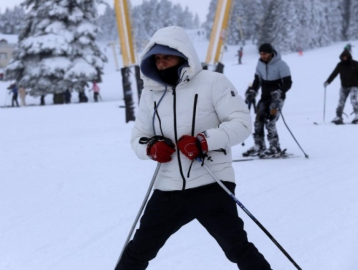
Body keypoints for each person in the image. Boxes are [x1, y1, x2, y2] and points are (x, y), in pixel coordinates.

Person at [116, 26, 271, 270]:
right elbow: (139, 137)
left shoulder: (213, 82)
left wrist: (203, 141)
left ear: (183, 54)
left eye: (167, 56)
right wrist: (152, 147)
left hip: (211, 183)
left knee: (237, 248)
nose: (161, 63)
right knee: (138, 250)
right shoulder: (151, 93)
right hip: (167, 187)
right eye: (156, 58)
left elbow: (241, 123)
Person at [242, 43, 292, 157]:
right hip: (264, 97)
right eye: (260, 54)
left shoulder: (281, 65)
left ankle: (274, 147)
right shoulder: (259, 64)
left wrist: (279, 92)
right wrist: (253, 90)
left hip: (277, 99)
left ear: (270, 53)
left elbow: (288, 83)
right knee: (258, 121)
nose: (262, 56)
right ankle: (259, 146)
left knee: (270, 121)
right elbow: (257, 81)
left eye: (264, 54)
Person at [324, 49, 358, 124]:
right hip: (344, 86)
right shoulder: (340, 65)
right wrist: (328, 82)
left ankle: (357, 115)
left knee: (353, 100)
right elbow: (334, 74)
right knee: (341, 102)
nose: (344, 58)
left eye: (345, 57)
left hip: (354, 85)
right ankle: (338, 117)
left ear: (349, 57)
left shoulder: (355, 64)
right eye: (343, 57)